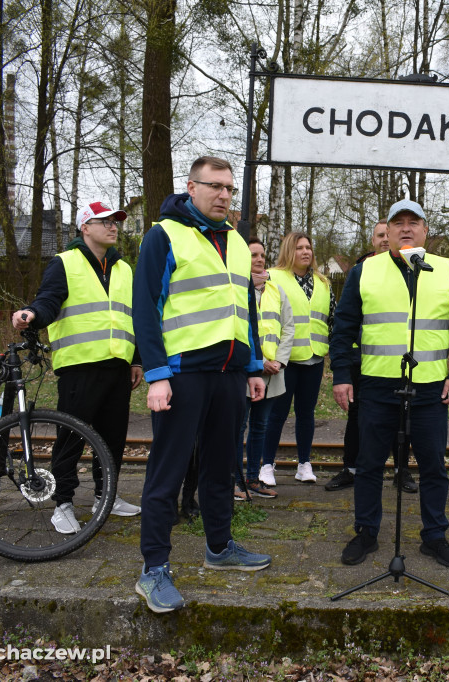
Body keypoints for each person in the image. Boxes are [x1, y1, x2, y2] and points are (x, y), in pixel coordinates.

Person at [132, 156, 271, 613]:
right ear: (191, 187)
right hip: (182, 374)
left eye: (230, 189)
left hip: (230, 374)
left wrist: (252, 366)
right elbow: (145, 309)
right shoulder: (163, 235)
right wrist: (155, 375)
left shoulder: (234, 240)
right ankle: (154, 570)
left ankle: (219, 548)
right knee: (167, 472)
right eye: (216, 187)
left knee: (220, 466)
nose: (225, 196)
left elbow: (244, 309)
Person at [330, 199, 449, 568]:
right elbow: (343, 328)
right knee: (369, 463)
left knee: (433, 466)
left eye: (414, 222)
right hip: (377, 384)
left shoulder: (447, 270)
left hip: (430, 387)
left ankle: (434, 535)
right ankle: (366, 532)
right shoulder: (365, 271)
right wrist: (343, 376)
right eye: (398, 223)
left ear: (426, 230)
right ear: (387, 231)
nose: (406, 228)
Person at [11, 200, 143, 534]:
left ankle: (105, 496)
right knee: (71, 438)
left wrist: (137, 359)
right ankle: (63, 504)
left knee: (112, 439)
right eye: (104, 221)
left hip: (117, 366)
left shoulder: (124, 268)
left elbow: (134, 317)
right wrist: (32, 315)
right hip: (79, 365)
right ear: (85, 227)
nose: (113, 226)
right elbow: (48, 300)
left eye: (115, 221)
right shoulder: (64, 263)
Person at [324, 220, 417, 494]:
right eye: (380, 236)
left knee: (403, 416)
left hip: (400, 361)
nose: (386, 241)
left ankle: (402, 470)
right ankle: (351, 468)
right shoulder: (361, 271)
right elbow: (347, 319)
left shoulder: (412, 268)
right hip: (362, 359)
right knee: (357, 417)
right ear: (376, 239)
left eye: (387, 236)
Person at [260, 231, 334, 485]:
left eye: (309, 247)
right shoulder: (273, 277)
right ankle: (267, 465)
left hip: (314, 358)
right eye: (300, 247)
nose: (306, 252)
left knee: (306, 414)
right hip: (284, 359)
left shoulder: (323, 283)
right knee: (276, 414)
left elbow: (331, 319)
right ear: (289, 251)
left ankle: (304, 464)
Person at [235, 237, 294, 500]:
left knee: (260, 426)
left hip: (272, 374)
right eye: (252, 255)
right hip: (246, 371)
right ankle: (235, 481)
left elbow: (288, 327)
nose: (259, 259)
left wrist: (279, 362)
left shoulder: (276, 290)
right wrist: (258, 363)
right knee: (238, 427)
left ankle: (252, 479)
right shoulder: (235, 287)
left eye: (261, 255)